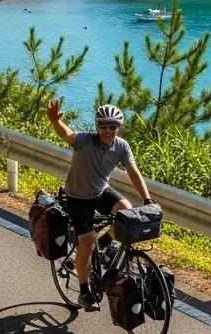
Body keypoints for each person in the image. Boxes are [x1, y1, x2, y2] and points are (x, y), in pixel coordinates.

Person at [46, 100, 154, 311]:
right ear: (97, 127)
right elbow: (67, 134)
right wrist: (55, 122)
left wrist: (147, 198)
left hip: (100, 191)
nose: (107, 131)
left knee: (127, 211)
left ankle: (105, 244)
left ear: (119, 127)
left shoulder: (121, 146)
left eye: (112, 126)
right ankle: (85, 292)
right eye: (102, 126)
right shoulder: (86, 141)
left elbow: (133, 171)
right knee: (87, 242)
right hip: (77, 197)